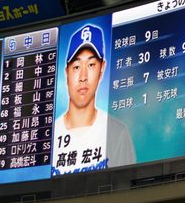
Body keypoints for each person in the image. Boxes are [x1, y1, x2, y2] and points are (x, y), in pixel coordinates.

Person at [52, 24, 136, 174]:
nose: (83, 77)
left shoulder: (117, 132)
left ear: (102, 69)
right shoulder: (49, 137)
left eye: (91, 65)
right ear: (66, 73)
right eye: (76, 67)